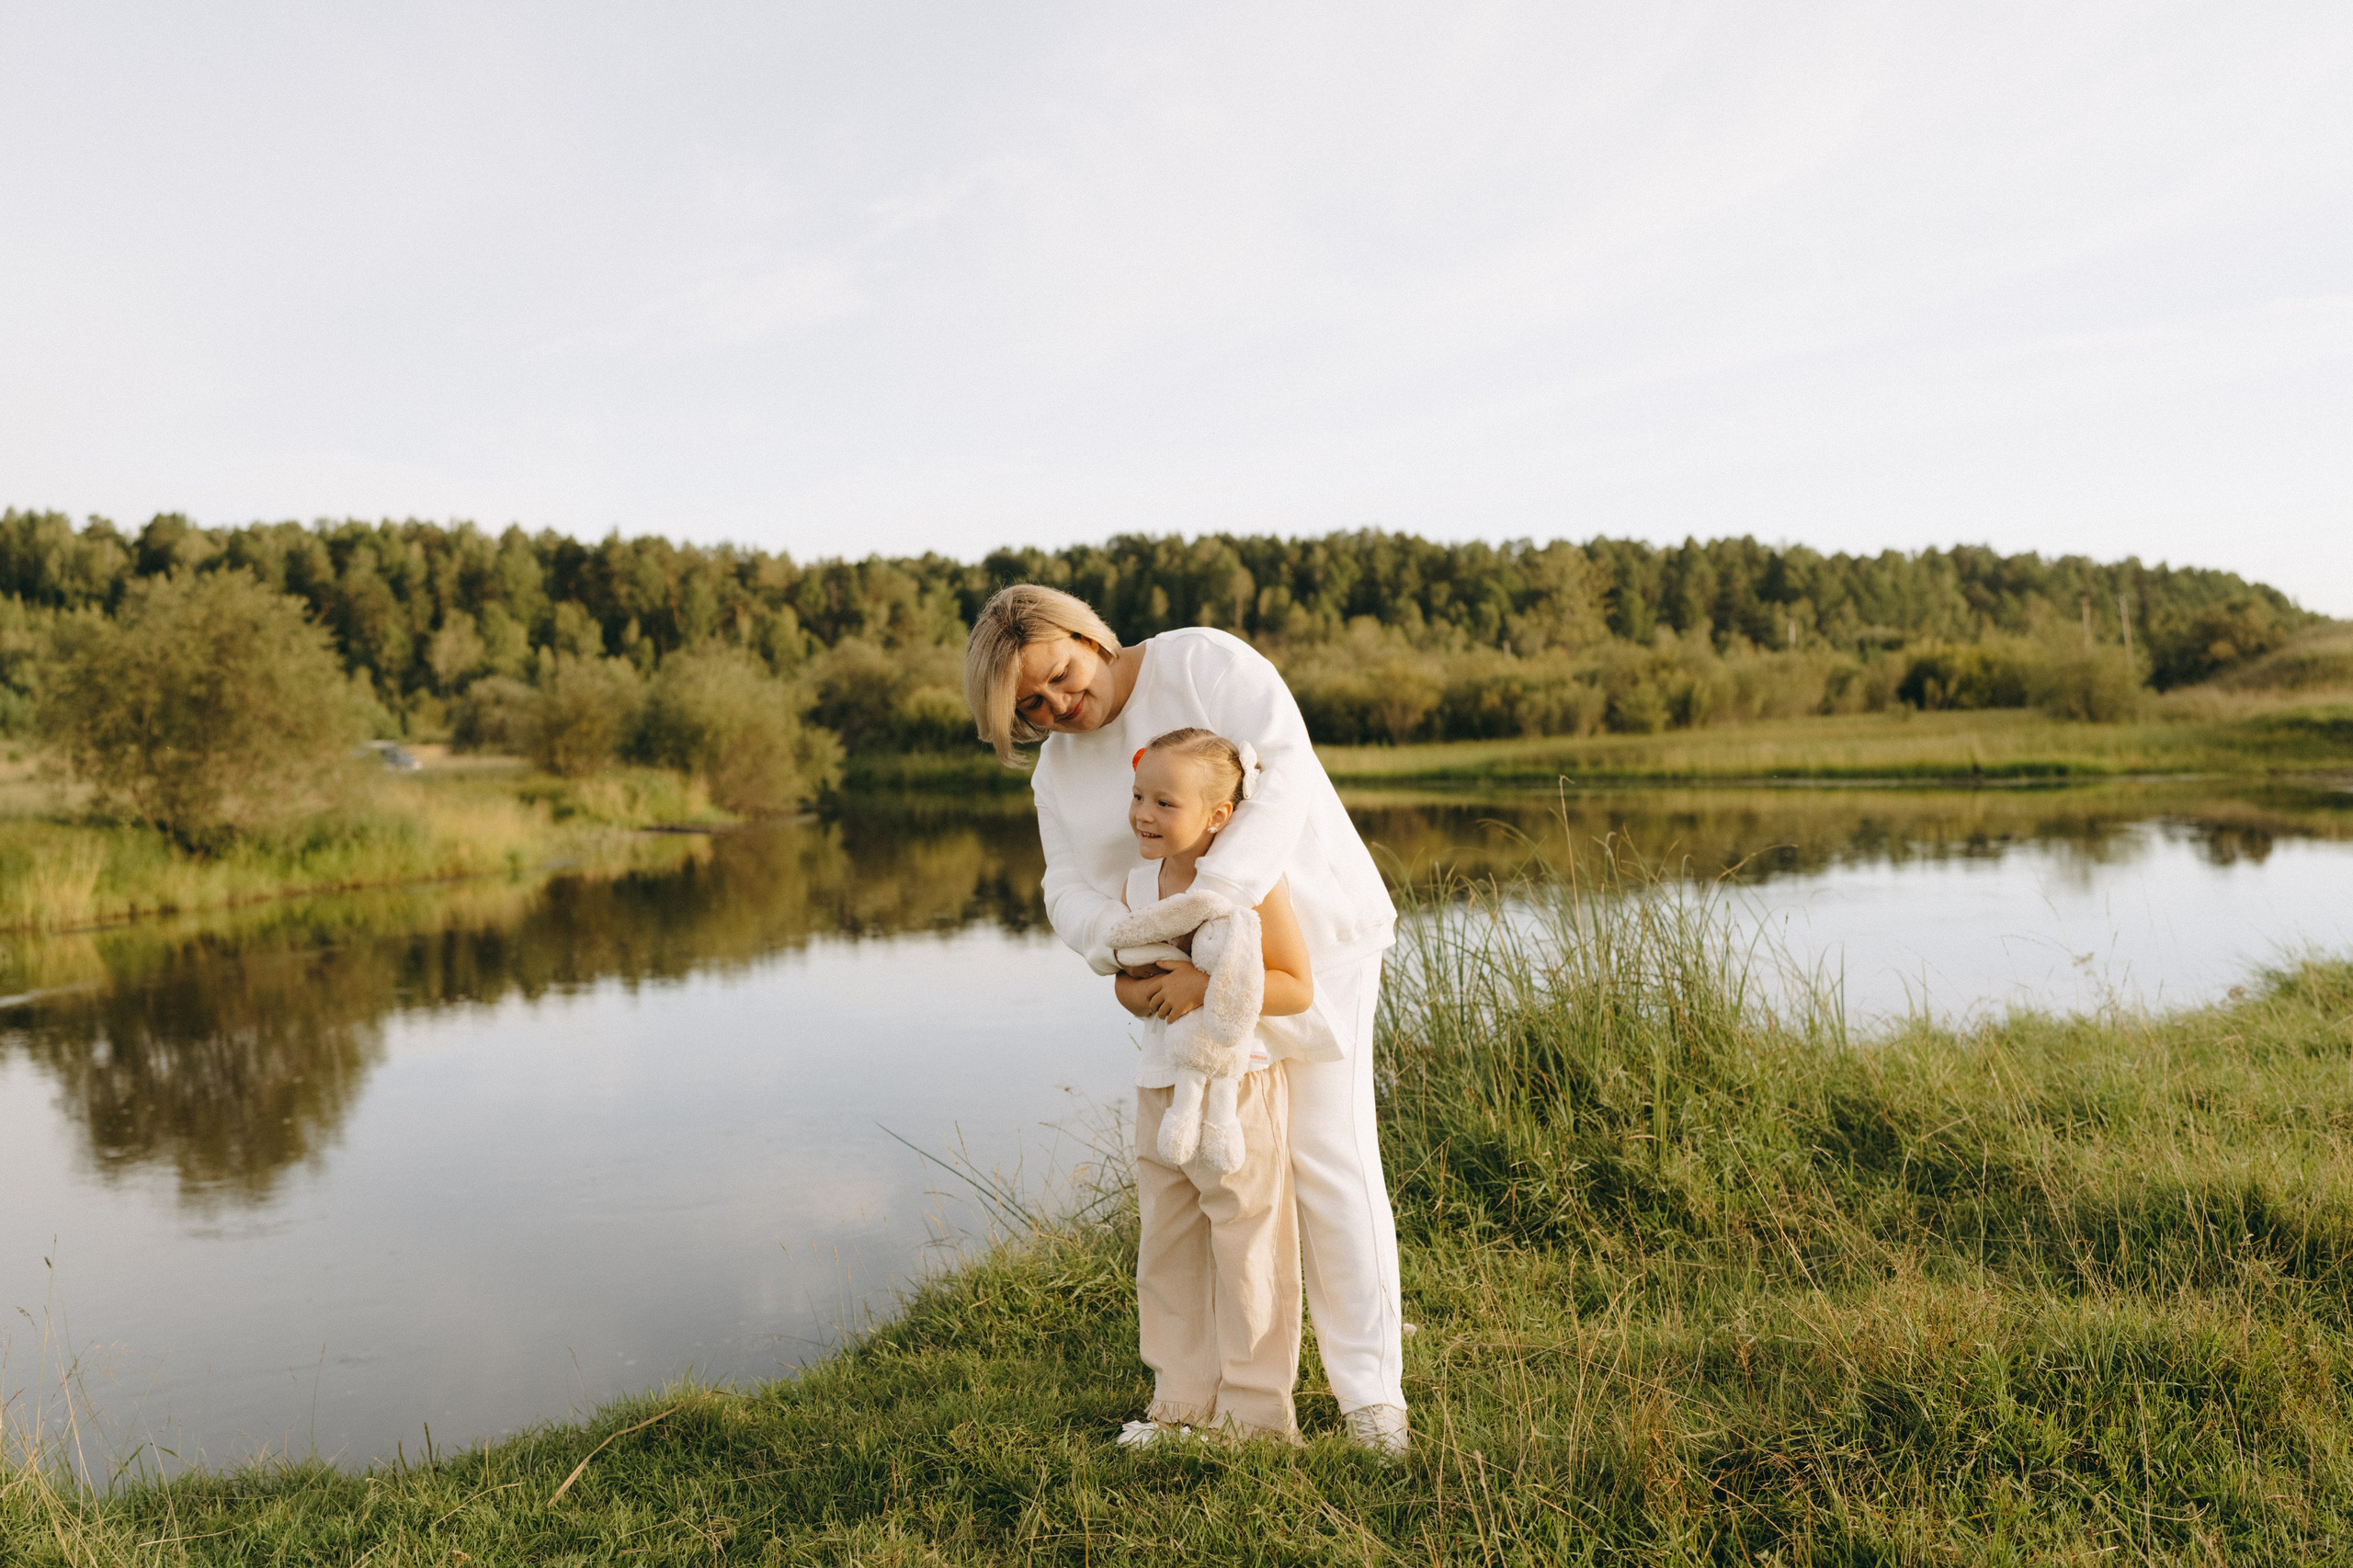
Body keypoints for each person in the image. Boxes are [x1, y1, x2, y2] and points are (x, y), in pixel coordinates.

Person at [963, 585, 1411, 1459]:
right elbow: (1068, 888)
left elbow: (1279, 777)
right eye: (1029, 706)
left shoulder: (1201, 661)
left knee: (1326, 1160)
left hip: (1309, 952)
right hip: (1184, 982)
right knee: (1211, 1194)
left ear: (1087, 636)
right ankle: (1204, 1401)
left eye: (1057, 675)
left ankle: (1372, 1405)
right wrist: (1123, 948)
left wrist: (1214, 910)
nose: (1056, 705)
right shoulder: (1058, 775)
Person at [1113, 728, 1313, 1445]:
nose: (1143, 813)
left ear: (1219, 816)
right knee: (1165, 1245)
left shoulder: (1248, 882)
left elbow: (1294, 985)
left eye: (1164, 801)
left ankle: (1256, 1416)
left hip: (1237, 1091)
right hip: (1161, 1087)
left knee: (1248, 1242)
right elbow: (1127, 986)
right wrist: (1150, 995)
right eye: (1139, 795)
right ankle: (1180, 1401)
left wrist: (1204, 987)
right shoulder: (1140, 885)